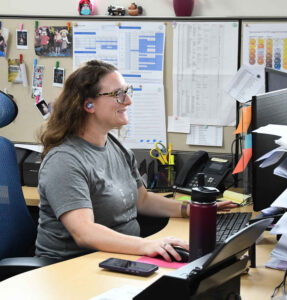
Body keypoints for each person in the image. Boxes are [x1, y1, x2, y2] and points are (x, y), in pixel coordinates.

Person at [35, 60, 235, 262]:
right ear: (89, 104)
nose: (128, 101)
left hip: (117, 257)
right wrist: (146, 245)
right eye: (118, 94)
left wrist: (194, 210)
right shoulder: (64, 161)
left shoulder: (115, 146)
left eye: (127, 92)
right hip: (73, 267)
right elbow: (84, 233)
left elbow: (143, 200)